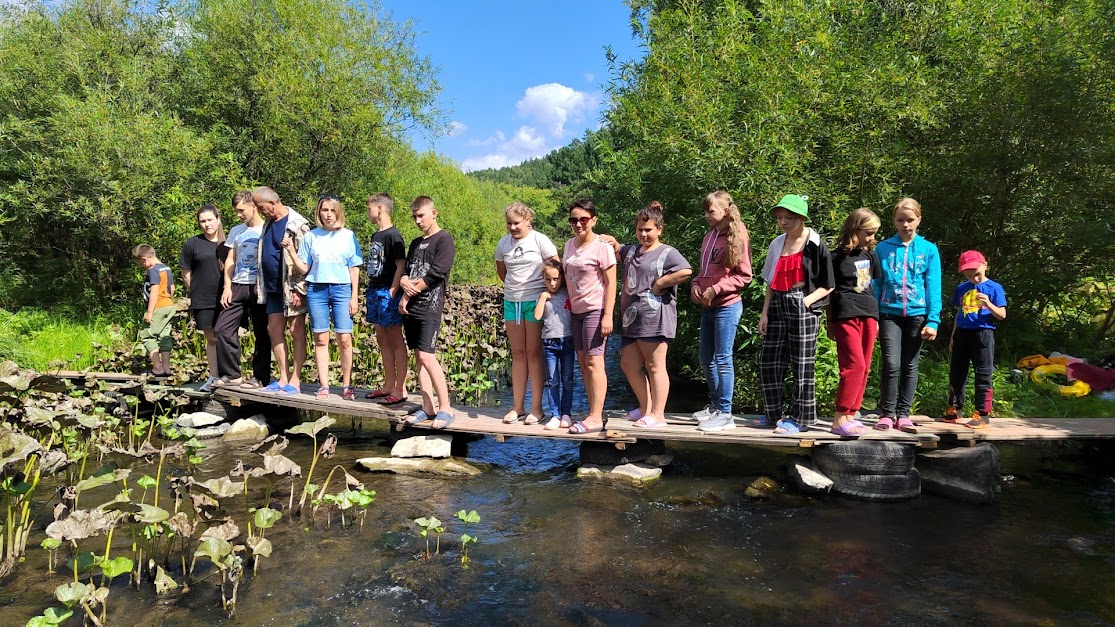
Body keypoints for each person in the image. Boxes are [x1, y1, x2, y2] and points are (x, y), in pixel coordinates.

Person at [601, 201, 692, 429]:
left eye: (648, 230)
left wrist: (661, 282)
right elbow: (618, 249)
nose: (643, 234)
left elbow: (686, 270)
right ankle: (645, 408)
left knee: (655, 366)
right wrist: (611, 242)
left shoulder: (667, 252)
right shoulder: (632, 250)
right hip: (631, 320)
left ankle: (658, 415)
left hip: (655, 318)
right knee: (628, 365)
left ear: (659, 229)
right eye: (640, 229)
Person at [757, 194, 834, 435]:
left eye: (788, 218)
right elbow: (770, 280)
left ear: (801, 218)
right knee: (769, 361)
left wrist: (807, 301)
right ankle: (773, 414)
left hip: (803, 301)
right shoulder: (777, 243)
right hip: (778, 302)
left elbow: (829, 283)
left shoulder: (814, 243)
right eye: (779, 218)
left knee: (802, 363)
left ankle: (800, 419)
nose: (782, 222)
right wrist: (764, 313)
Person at [284, 196, 363, 400]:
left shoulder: (348, 236)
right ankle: (324, 385)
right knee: (320, 338)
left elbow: (354, 268)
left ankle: (347, 385)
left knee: (344, 338)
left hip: (342, 289)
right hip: (317, 290)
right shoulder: (311, 236)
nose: (328, 214)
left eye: (332, 210)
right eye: (324, 210)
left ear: (338, 212)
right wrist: (292, 251)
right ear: (319, 213)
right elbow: (304, 268)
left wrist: (354, 296)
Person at [873, 197, 942, 431]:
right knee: (891, 363)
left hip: (916, 314)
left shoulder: (928, 249)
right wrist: (873, 318)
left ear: (919, 220)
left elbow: (933, 286)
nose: (905, 225)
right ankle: (886, 413)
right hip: (888, 313)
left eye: (910, 220)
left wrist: (933, 320)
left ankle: (904, 414)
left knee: (909, 364)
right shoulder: (882, 248)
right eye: (901, 220)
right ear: (894, 221)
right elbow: (876, 285)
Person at [690, 190, 753, 433]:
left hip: (727, 306)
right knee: (706, 358)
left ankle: (726, 413)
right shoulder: (709, 236)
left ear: (725, 211)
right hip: (708, 307)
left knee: (723, 358)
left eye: (711, 211)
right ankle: (716, 406)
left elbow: (744, 276)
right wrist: (696, 284)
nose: (706, 215)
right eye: (705, 211)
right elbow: (703, 272)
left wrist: (716, 288)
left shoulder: (737, 236)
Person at [495, 201, 559, 425]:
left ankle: (536, 408)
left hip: (535, 301)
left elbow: (555, 270)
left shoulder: (540, 240)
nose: (512, 227)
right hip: (512, 301)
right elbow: (502, 272)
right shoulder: (503, 244)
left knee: (533, 352)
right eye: (509, 223)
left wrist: (546, 293)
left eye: (517, 223)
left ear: (528, 221)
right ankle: (517, 407)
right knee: (518, 352)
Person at [399, 196, 457, 430]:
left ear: (434, 213)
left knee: (427, 356)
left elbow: (436, 274)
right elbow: (406, 270)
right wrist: (403, 284)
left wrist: (409, 291)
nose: (417, 220)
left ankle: (446, 408)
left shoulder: (444, 240)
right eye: (414, 216)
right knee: (418, 357)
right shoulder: (415, 243)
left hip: (430, 307)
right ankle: (428, 407)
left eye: (421, 215)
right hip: (411, 307)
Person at [826, 208, 882, 437]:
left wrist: (876, 319)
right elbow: (828, 290)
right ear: (854, 228)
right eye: (868, 232)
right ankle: (840, 417)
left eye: (874, 233)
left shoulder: (870, 255)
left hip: (869, 312)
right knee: (854, 365)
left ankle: (851, 413)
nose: (871, 238)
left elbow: (871, 286)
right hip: (845, 312)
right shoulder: (836, 256)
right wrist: (830, 322)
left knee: (865, 366)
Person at [562, 198, 616, 434]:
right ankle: (593, 411)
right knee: (584, 364)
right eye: (574, 220)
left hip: (595, 310)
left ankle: (595, 417)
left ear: (593, 220)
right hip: (576, 312)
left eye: (583, 219)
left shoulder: (602, 247)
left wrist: (608, 316)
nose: (578, 224)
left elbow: (612, 283)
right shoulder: (568, 246)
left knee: (595, 363)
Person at [253, 186, 311, 395]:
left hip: (292, 287)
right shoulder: (268, 224)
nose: (260, 212)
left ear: (272, 203)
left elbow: (307, 260)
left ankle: (295, 379)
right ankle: (283, 376)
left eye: (261, 207)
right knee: (273, 330)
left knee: (296, 332)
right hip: (272, 288)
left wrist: (300, 289)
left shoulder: (297, 225)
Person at [940, 250, 1007, 429]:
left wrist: (988, 303)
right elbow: (958, 313)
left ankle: (982, 414)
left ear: (985, 266)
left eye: (977, 274)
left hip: (983, 334)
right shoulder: (962, 288)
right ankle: (955, 409)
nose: (974, 279)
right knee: (956, 373)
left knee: (983, 374)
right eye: (969, 276)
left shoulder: (994, 288)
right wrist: (953, 336)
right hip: (962, 333)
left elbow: (1002, 315)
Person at [214, 191, 271, 388]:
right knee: (222, 329)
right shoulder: (236, 231)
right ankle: (232, 374)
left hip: (259, 285)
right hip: (238, 284)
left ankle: (260, 377)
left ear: (253, 206)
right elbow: (230, 258)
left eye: (241, 210)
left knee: (262, 332)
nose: (238, 215)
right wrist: (227, 288)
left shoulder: (266, 229)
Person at [363, 193, 409, 405]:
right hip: (374, 289)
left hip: (388, 292)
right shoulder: (376, 236)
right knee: (382, 339)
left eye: (369, 208)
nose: (368, 213)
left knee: (395, 339)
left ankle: (401, 387)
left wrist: (393, 288)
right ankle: (388, 384)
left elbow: (401, 264)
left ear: (379, 208)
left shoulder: (393, 236)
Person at [179, 204, 226, 392]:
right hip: (203, 299)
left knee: (227, 336)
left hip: (227, 297)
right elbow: (186, 272)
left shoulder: (228, 242)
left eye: (210, 220)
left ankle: (230, 375)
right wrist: (196, 291)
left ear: (218, 219)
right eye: (203, 221)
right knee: (211, 338)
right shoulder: (192, 244)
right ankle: (214, 376)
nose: (207, 224)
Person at [534, 259, 575, 430]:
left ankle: (566, 413)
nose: (552, 283)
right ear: (543, 279)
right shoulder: (543, 295)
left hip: (568, 340)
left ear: (562, 278)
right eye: (548, 279)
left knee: (567, 379)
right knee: (552, 380)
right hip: (549, 342)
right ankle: (555, 415)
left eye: (556, 279)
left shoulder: (568, 293)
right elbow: (537, 317)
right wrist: (543, 298)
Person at [132, 244, 175, 377]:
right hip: (169, 305)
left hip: (158, 306)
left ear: (144, 259)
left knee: (147, 336)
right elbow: (172, 289)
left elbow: (154, 292)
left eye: (141, 263)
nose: (142, 266)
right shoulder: (166, 268)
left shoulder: (153, 270)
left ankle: (158, 368)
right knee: (164, 336)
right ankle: (166, 368)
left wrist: (150, 312)